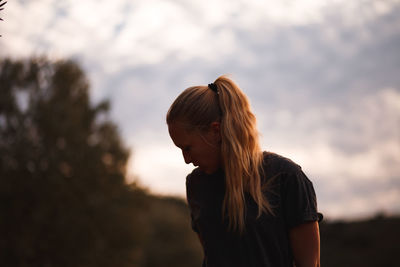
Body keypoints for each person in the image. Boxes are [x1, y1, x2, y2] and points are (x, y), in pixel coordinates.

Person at [166, 75, 322, 267]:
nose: (186, 160)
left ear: (215, 131)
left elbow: (309, 264)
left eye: (188, 148)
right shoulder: (196, 185)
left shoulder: (286, 177)